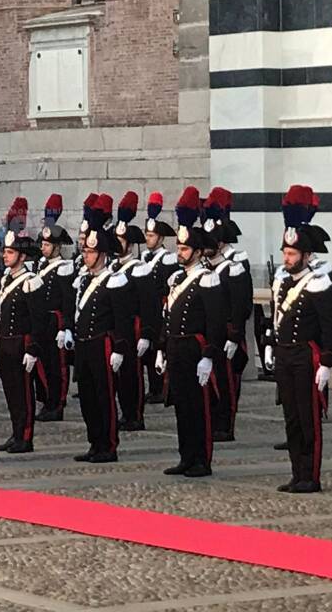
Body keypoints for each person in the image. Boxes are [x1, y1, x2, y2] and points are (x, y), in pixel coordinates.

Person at [264, 185, 332, 494]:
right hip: (285, 355)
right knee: (292, 418)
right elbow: (276, 317)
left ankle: (311, 475)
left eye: (292, 253)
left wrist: (327, 361)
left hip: (306, 357)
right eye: (285, 252)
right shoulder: (283, 282)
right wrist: (271, 344)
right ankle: (296, 472)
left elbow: (331, 326)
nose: (287, 258)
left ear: (306, 255)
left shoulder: (319, 283)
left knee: (309, 420)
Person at [155, 187, 226, 477]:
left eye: (184, 249)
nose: (179, 253)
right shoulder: (176, 280)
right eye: (179, 248)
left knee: (200, 409)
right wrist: (162, 348)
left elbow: (216, 322)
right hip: (177, 350)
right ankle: (186, 456)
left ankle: (202, 459)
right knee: (182, 407)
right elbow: (167, 317)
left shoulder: (207, 279)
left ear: (197, 252)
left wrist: (209, 355)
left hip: (196, 351)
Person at [71, 198, 133, 463]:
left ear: (103, 253)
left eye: (91, 252)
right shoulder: (84, 279)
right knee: (87, 398)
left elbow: (123, 319)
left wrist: (120, 348)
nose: (86, 255)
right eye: (85, 251)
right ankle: (94, 442)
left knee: (104, 397)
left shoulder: (115, 279)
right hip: (84, 345)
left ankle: (108, 445)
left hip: (102, 345)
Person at [202, 187, 253, 442]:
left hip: (229, 334)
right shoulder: (208, 265)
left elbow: (241, 304)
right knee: (213, 382)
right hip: (212, 334)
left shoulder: (235, 264)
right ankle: (215, 420)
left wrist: (235, 336)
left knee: (228, 382)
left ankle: (227, 424)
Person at [0, 226, 46, 454]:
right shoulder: (6, 279)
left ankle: (25, 436)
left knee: (24, 394)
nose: (6, 256)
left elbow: (38, 320)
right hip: (6, 343)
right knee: (11, 392)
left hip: (21, 344)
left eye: (11, 252)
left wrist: (33, 349)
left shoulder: (31, 281)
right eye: (5, 252)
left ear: (22, 256)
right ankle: (15, 433)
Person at [131, 192, 177, 405]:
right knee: (147, 349)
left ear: (160, 238)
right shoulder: (142, 258)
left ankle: (161, 386)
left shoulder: (167, 259)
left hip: (161, 306)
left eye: (151, 236)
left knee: (160, 347)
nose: (148, 239)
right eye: (146, 235)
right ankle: (153, 386)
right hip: (145, 308)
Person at [34, 194, 75, 421]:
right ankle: (46, 400)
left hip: (56, 321)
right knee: (44, 364)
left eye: (47, 244)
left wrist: (66, 327)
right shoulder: (41, 266)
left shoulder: (64, 268)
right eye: (42, 243)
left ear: (57, 247)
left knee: (57, 366)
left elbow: (68, 300)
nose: (43, 247)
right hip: (42, 321)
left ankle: (57, 404)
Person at [110, 192, 147, 432]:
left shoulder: (139, 269)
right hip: (116, 328)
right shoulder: (113, 267)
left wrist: (146, 333)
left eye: (120, 240)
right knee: (119, 375)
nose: (116, 244)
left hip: (134, 328)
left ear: (130, 244)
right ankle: (125, 411)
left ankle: (135, 414)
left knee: (133, 374)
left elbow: (148, 304)